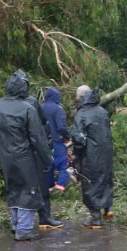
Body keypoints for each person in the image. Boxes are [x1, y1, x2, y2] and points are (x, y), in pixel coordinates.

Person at [0, 70, 53, 241]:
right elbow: (38, 138)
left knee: (13, 190)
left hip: (6, 157)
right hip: (24, 157)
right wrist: (48, 160)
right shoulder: (27, 109)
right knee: (28, 191)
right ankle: (24, 230)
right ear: (24, 88)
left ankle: (16, 225)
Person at [72, 85, 114, 229]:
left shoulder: (81, 114)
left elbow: (78, 139)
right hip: (106, 153)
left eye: (77, 97)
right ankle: (108, 209)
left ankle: (95, 218)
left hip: (90, 155)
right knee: (105, 179)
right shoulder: (102, 111)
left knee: (90, 182)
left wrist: (77, 156)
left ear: (81, 98)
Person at [37, 87, 71, 230]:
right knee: (64, 164)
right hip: (57, 141)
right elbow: (61, 126)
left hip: (43, 144)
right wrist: (67, 137)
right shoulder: (58, 109)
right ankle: (60, 185)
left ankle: (49, 185)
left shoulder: (39, 108)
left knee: (48, 166)